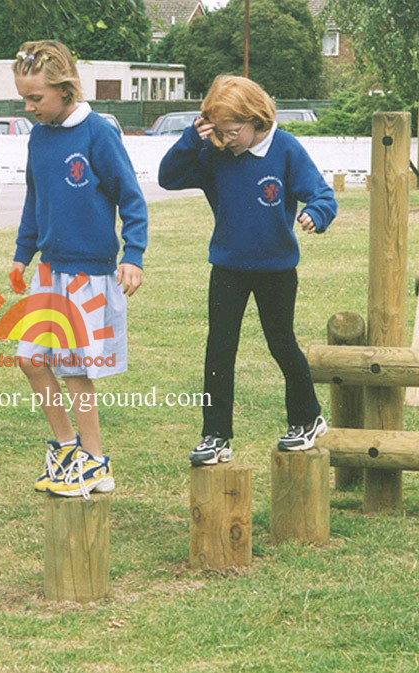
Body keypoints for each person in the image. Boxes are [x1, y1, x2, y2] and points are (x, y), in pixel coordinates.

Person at [158, 75, 337, 466]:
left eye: (232, 131)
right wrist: (193, 139)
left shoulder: (286, 149)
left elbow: (323, 194)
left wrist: (315, 214)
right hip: (227, 267)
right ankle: (215, 435)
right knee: (219, 349)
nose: (226, 139)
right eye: (218, 131)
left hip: (276, 269)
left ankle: (307, 419)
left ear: (257, 120)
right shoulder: (213, 153)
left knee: (281, 342)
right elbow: (167, 178)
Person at [11, 40, 147, 498]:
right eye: (24, 99)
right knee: (30, 358)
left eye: (37, 99)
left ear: (66, 89)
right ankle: (68, 450)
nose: (29, 108)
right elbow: (35, 200)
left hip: (89, 274)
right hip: (49, 271)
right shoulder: (38, 136)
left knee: (73, 370)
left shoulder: (98, 133)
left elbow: (131, 199)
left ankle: (95, 461)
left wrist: (133, 255)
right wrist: (21, 254)